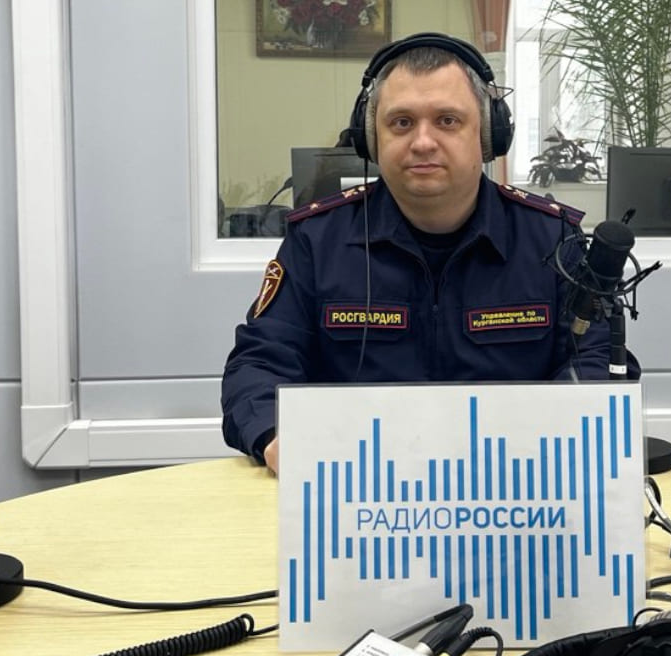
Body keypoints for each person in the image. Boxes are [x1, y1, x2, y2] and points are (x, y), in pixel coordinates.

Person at [221, 32, 632, 474]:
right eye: (401, 122)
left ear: (488, 135)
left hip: (514, 483)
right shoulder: (317, 241)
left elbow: (597, 359)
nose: (422, 142)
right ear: (371, 138)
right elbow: (259, 363)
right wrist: (276, 435)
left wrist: (557, 437)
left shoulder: (551, 238)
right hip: (359, 485)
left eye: (447, 121)